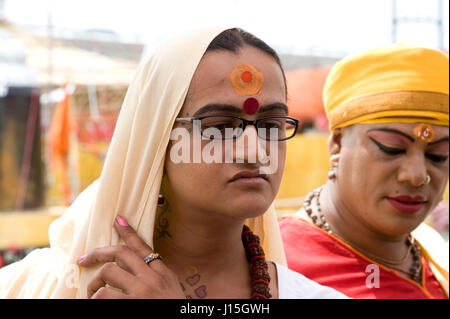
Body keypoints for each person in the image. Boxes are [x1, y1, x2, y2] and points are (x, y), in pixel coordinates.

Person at [0, 26, 347, 299]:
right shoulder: (35, 286)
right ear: (157, 140)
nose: (255, 151)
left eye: (271, 125)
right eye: (220, 127)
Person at [280, 44, 449, 299]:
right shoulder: (279, 268)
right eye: (392, 149)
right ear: (336, 143)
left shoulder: (433, 251)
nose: (416, 176)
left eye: (438, 155)